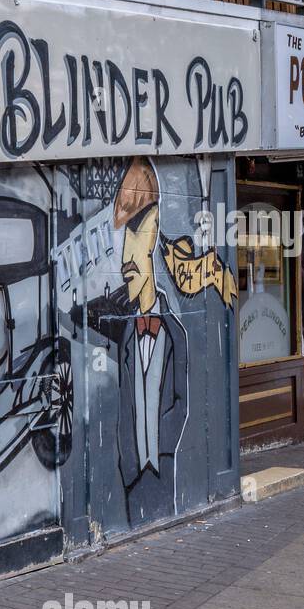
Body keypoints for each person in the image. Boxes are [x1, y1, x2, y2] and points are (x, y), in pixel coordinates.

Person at [79, 159, 188, 527]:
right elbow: (83, 315)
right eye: (124, 261)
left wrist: (162, 450)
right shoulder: (125, 332)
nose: (127, 265)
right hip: (131, 472)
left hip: (161, 467)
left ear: (153, 239)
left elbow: (180, 402)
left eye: (134, 260)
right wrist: (129, 458)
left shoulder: (174, 332)